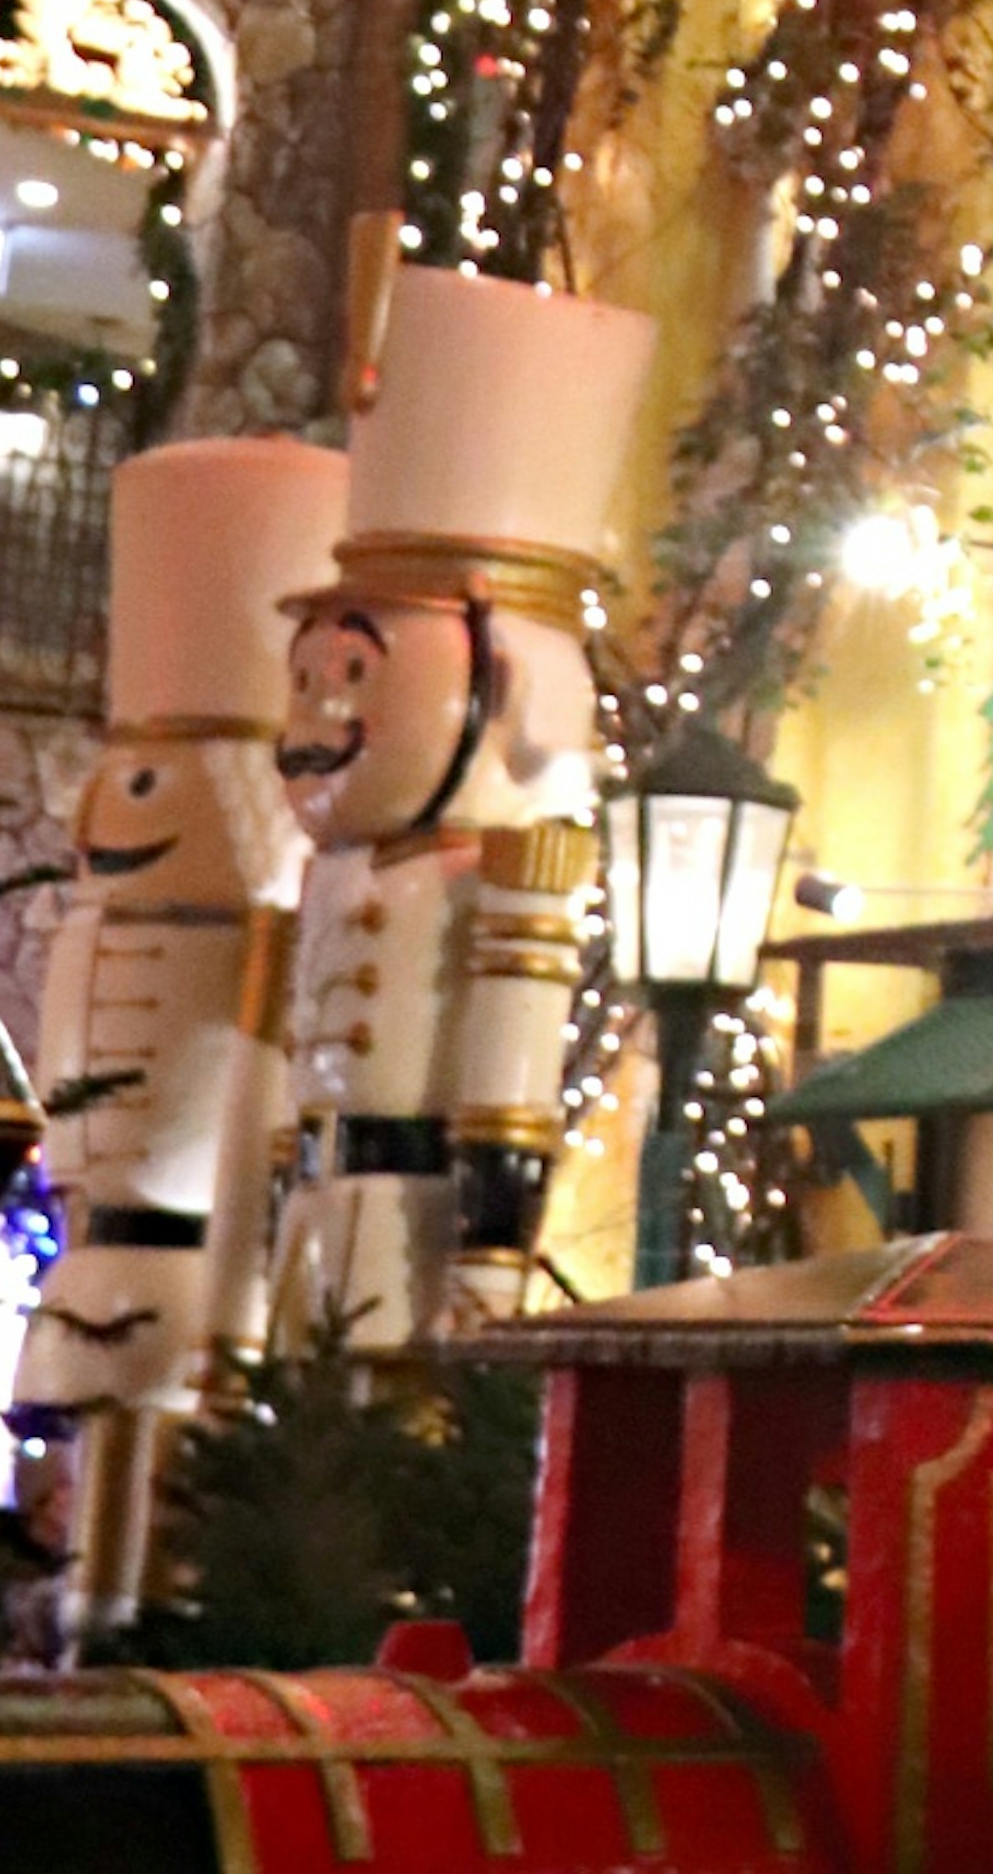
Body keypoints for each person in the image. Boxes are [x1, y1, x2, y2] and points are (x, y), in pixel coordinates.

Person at [271, 227, 651, 1356]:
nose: (316, 721)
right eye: (310, 680)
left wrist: (490, 1259)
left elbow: (509, 1077)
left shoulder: (513, 875)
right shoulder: (339, 870)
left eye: (350, 676)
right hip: (312, 1208)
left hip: (411, 1226)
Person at [15, 433, 344, 1642]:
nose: (108, 802)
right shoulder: (90, 931)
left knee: (157, 1473)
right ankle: (80, 1605)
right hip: (97, 1245)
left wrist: (236, 1309)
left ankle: (128, 1610)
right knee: (95, 1456)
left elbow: (256, 1117)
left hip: (184, 1266)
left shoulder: (255, 949)